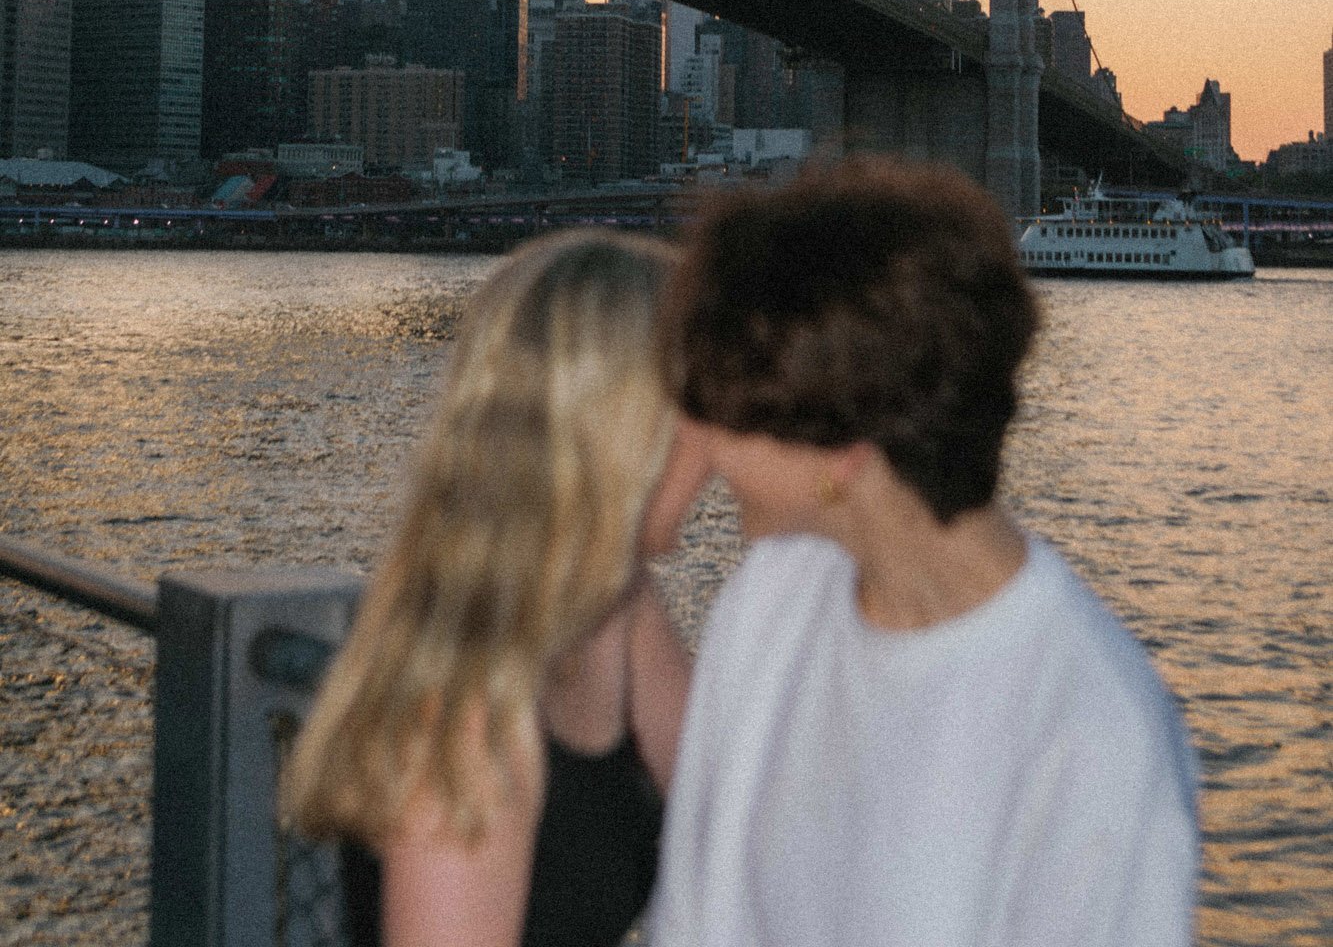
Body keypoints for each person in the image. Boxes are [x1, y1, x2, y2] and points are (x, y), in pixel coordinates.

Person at [652, 156, 1199, 947]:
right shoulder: (769, 600)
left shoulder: (1093, 730)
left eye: (720, 408)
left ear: (844, 445)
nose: (698, 444)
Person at [285, 228, 707, 947]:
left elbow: (732, 803)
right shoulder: (463, 725)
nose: (724, 444)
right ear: (633, 422)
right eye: (704, 404)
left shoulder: (615, 605)